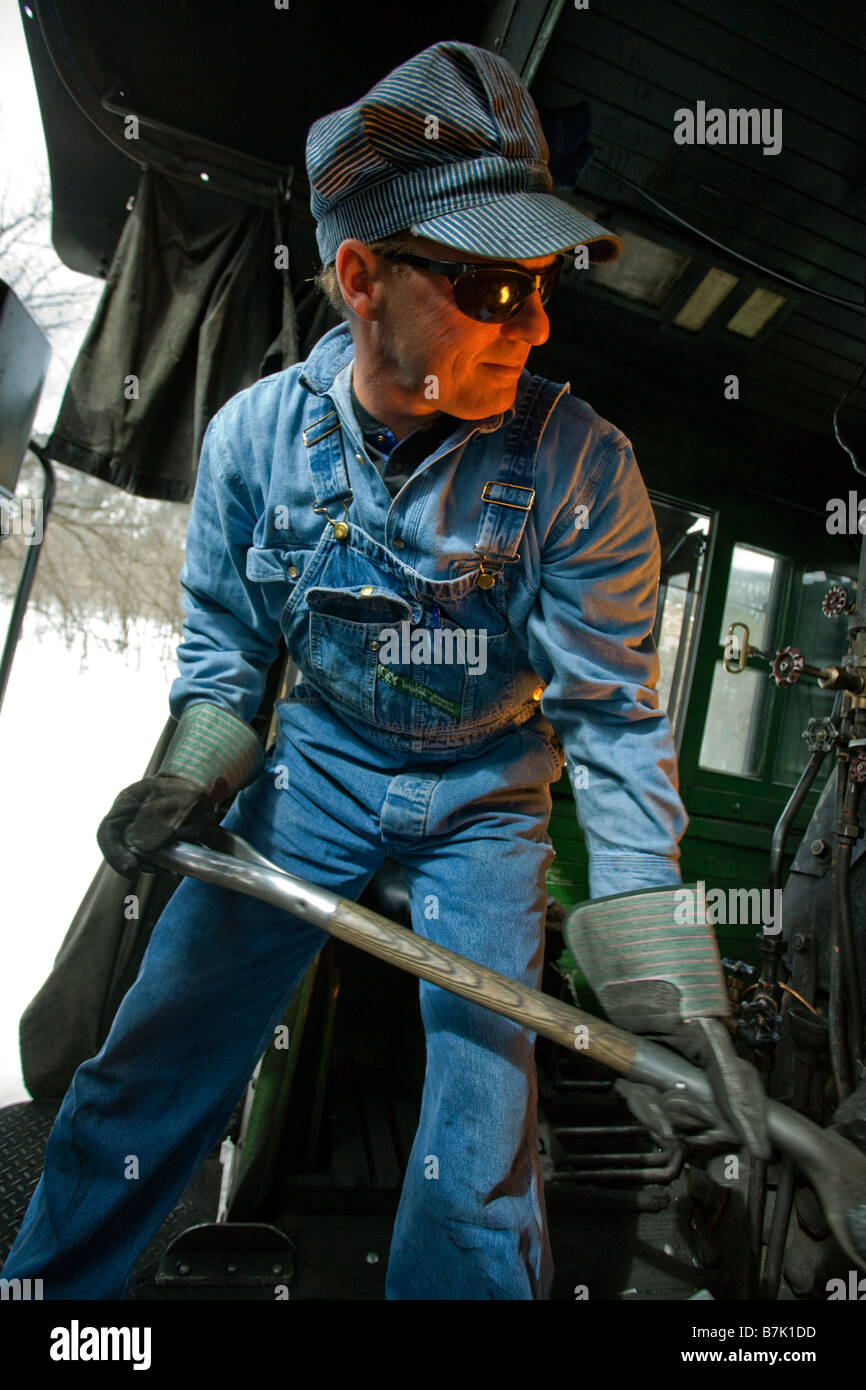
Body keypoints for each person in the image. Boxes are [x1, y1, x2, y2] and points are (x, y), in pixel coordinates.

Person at [2, 39, 694, 1301]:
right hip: (312, 778)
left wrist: (657, 968)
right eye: (491, 286)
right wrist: (193, 772)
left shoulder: (582, 469)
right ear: (362, 275)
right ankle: (50, 1302)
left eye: (542, 283)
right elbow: (228, 656)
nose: (534, 325)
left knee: (479, 1149)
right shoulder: (252, 443)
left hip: (483, 804)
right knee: (149, 1060)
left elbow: (609, 716)